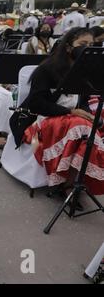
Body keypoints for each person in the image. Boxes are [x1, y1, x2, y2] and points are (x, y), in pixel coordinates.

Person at [10, 27, 104, 198]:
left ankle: (75, 178)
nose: (88, 48)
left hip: (69, 118)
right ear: (68, 47)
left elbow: (82, 103)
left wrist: (85, 113)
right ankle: (65, 183)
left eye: (91, 45)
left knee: (95, 121)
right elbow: (37, 104)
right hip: (40, 119)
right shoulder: (46, 69)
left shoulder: (84, 72)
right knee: (80, 125)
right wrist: (71, 111)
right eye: (83, 44)